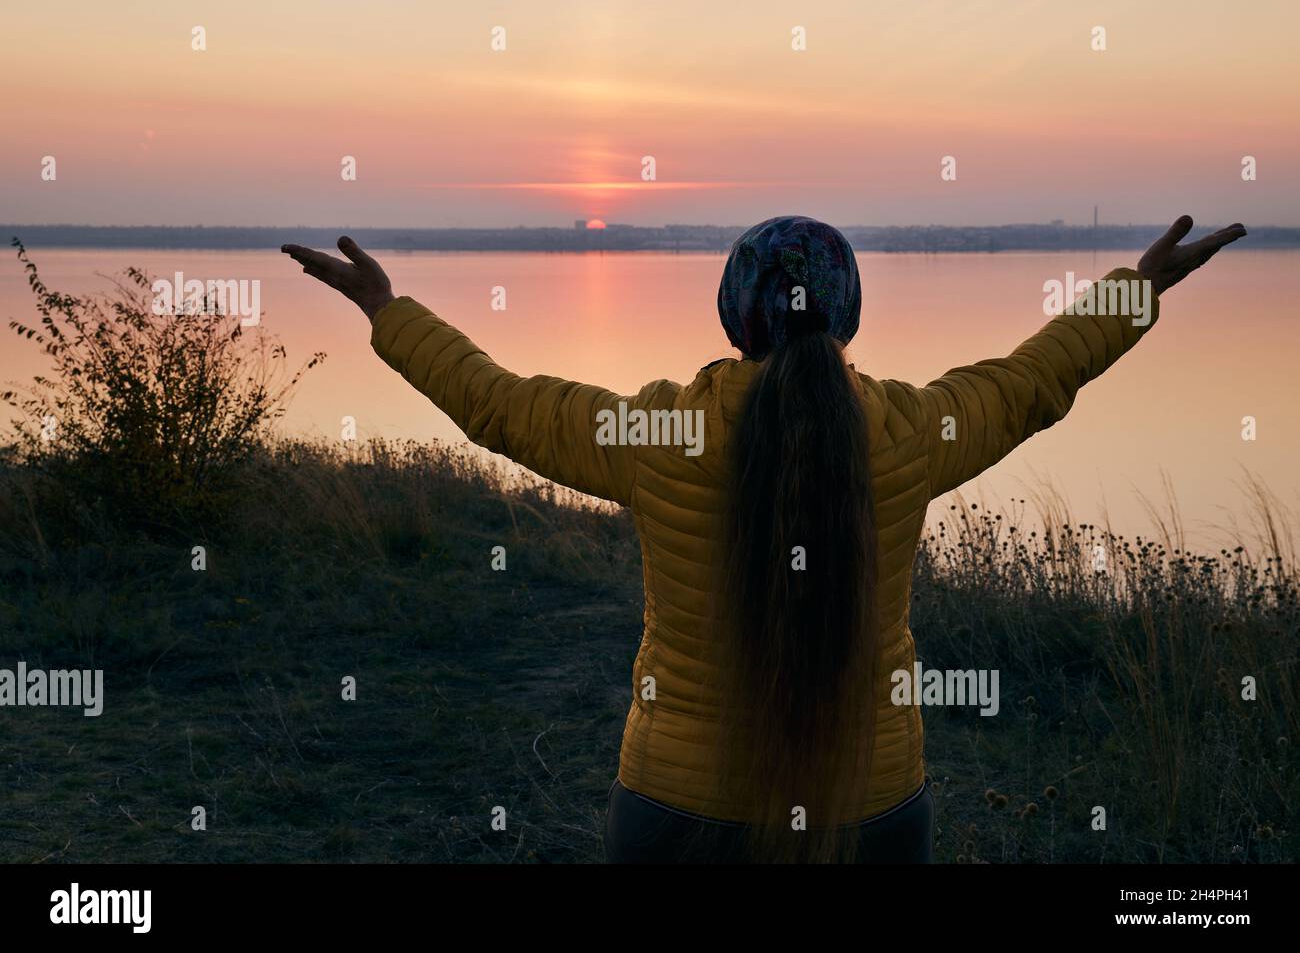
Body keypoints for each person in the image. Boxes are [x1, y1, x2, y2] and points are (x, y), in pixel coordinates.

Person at [283, 213, 1246, 863]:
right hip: (869, 810)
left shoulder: (662, 434)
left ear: (736, 314)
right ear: (848, 312)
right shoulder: (912, 431)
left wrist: (387, 310)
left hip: (674, 811)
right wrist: (1137, 292)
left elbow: (497, 405)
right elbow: (1036, 379)